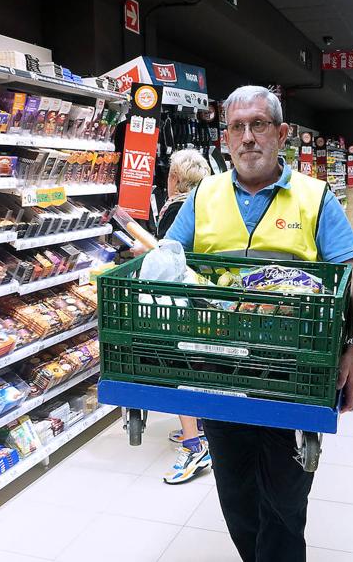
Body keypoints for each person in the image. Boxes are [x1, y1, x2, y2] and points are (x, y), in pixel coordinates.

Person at [164, 85, 353, 562]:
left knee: (283, 502)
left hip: (293, 370)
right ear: (225, 138)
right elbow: (169, 261)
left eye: (258, 125)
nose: (248, 138)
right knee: (235, 495)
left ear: (282, 134)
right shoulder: (203, 196)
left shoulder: (315, 197)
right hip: (217, 368)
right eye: (237, 127)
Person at [157, 149, 213, 485]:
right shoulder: (209, 206)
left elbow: (168, 255)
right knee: (201, 363)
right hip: (206, 298)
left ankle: (195, 445)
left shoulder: (176, 209)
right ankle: (201, 427)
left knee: (181, 366)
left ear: (176, 179)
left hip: (183, 301)